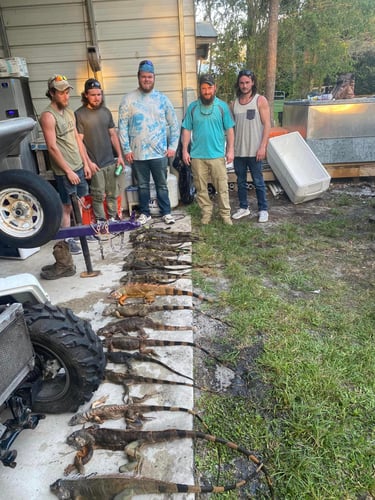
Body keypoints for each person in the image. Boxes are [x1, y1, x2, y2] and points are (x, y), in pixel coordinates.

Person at [118, 60, 179, 225]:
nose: (147, 80)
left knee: (162, 184)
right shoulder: (128, 100)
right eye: (144, 77)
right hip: (137, 153)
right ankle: (145, 213)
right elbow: (122, 127)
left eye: (150, 77)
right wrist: (126, 149)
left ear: (154, 78)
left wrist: (172, 147)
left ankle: (166, 212)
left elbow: (174, 124)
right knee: (142, 186)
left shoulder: (162, 99)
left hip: (159, 153)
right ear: (138, 77)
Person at [40, 75, 92, 256]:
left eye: (67, 91)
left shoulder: (70, 112)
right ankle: (69, 239)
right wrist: (68, 171)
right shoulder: (48, 116)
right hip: (65, 171)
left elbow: (78, 139)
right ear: (52, 93)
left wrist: (86, 163)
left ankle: (84, 231)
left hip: (78, 164)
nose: (66, 95)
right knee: (67, 205)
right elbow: (52, 147)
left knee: (82, 200)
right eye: (61, 92)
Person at [181, 74, 234, 225]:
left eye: (209, 88)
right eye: (203, 88)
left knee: (222, 187)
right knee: (200, 187)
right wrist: (185, 150)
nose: (206, 91)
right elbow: (186, 130)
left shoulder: (222, 107)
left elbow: (229, 129)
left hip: (217, 155)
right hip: (197, 156)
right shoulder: (192, 108)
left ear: (214, 87)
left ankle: (225, 215)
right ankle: (206, 213)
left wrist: (230, 150)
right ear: (200, 89)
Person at [75, 78, 125, 222]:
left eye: (99, 94)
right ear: (85, 95)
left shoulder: (106, 112)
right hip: (95, 164)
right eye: (93, 95)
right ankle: (101, 220)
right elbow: (79, 141)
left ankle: (113, 218)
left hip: (110, 161)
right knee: (97, 195)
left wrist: (120, 156)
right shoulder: (79, 114)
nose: (96, 98)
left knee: (113, 193)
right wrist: (88, 163)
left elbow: (113, 135)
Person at [230, 69, 271, 223]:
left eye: (247, 82)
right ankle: (243, 207)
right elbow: (231, 129)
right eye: (242, 83)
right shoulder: (234, 104)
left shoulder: (260, 100)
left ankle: (263, 209)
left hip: (255, 151)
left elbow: (267, 124)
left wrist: (263, 146)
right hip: (239, 151)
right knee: (240, 181)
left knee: (258, 181)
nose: (244, 85)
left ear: (252, 82)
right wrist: (231, 149)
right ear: (238, 84)